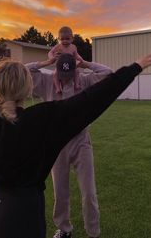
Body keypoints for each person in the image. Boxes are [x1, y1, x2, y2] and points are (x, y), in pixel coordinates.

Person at [0, 52, 151, 238]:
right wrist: (135, 68)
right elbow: (94, 99)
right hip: (26, 218)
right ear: (27, 89)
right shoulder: (44, 119)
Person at [26, 53, 112, 238]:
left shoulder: (85, 80)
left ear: (75, 70)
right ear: (56, 69)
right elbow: (23, 71)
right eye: (61, 75)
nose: (65, 81)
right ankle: (64, 229)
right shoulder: (46, 80)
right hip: (56, 144)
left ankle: (93, 232)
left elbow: (109, 74)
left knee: (89, 192)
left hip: (81, 141)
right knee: (60, 192)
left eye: (69, 75)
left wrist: (86, 63)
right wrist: (45, 62)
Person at [48, 26, 83, 93]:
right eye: (62, 39)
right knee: (55, 74)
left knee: (77, 71)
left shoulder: (73, 47)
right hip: (60, 66)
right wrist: (52, 58)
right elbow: (50, 52)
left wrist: (80, 58)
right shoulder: (58, 47)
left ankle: (76, 84)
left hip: (71, 66)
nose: (65, 41)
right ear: (59, 39)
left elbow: (76, 55)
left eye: (67, 39)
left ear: (72, 39)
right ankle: (58, 88)